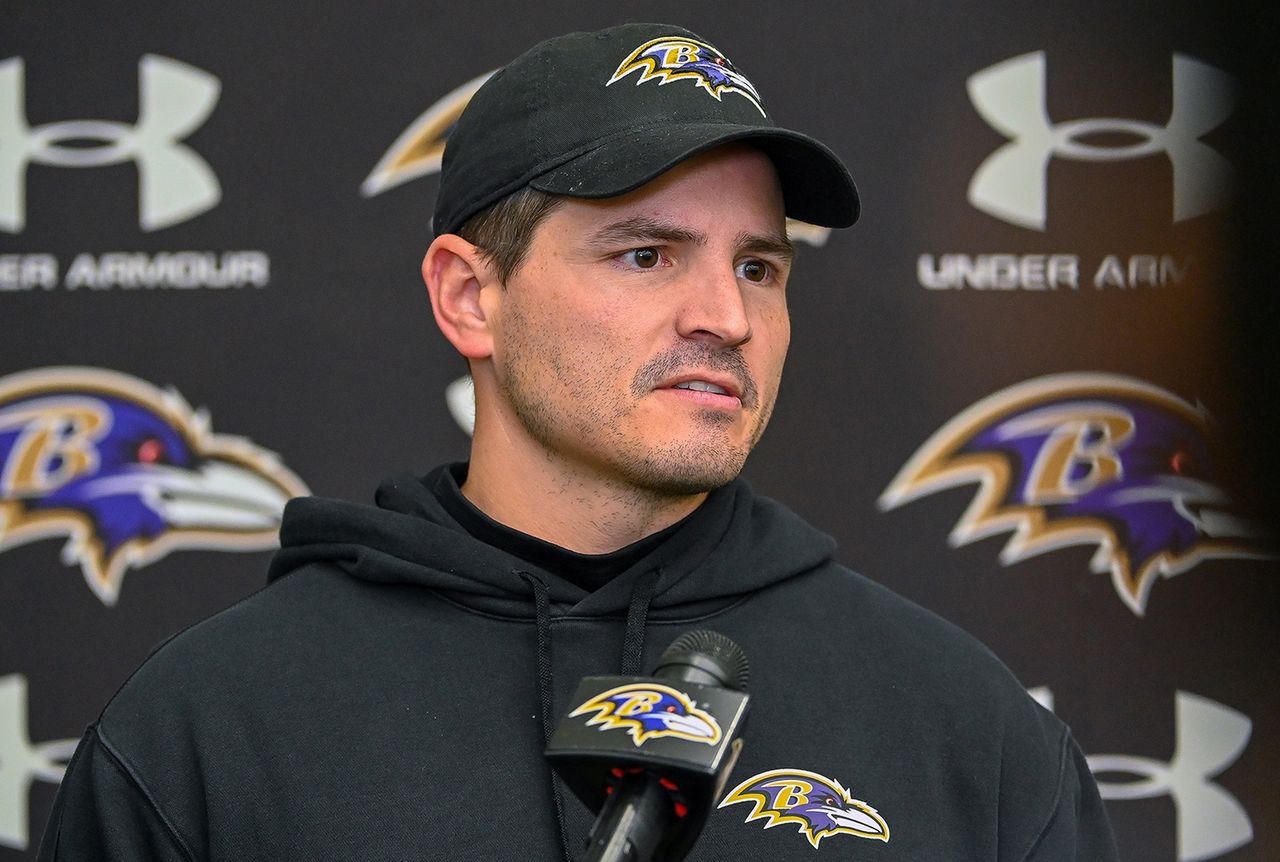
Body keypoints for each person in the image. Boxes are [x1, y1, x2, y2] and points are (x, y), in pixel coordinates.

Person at [38, 22, 1118, 861]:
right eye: (646, 256)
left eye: (757, 266)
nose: (725, 318)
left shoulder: (966, 733)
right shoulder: (212, 729)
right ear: (470, 296)